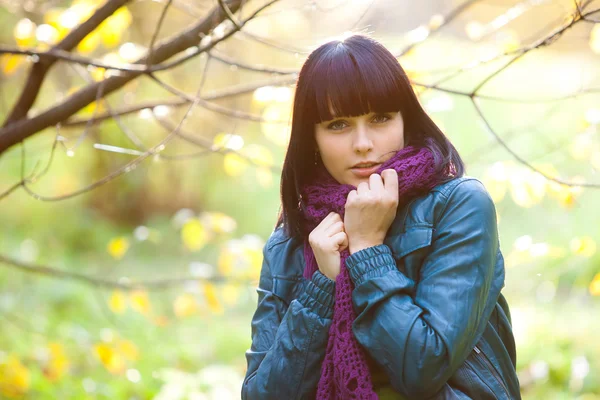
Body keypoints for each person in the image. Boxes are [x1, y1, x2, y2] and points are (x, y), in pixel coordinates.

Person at [241, 34, 521, 400]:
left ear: (406, 120)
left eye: (380, 118)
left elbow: (422, 369)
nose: (363, 143)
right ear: (312, 137)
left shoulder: (459, 207)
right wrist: (322, 287)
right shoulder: (289, 243)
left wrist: (367, 250)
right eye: (338, 124)